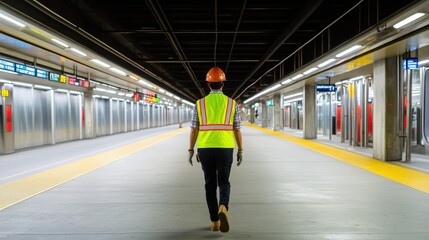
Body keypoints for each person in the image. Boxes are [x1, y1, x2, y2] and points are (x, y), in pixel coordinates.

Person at [188, 66, 243, 233]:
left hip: (205, 149)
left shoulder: (200, 104)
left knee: (209, 184)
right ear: (223, 84)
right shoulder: (232, 104)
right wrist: (240, 150)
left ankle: (214, 222)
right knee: (224, 182)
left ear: (208, 84)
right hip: (226, 148)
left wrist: (190, 150)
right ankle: (223, 207)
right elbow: (237, 129)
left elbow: (194, 129)